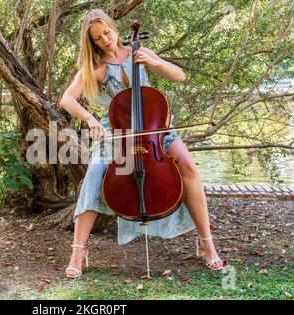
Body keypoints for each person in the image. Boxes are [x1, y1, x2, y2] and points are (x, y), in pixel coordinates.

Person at [59, 9, 223, 279]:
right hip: (117, 133)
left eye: (107, 33)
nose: (106, 40)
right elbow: (67, 99)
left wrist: (154, 62)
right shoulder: (96, 68)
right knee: (92, 177)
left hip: (155, 129)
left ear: (114, 28)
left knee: (190, 168)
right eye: (98, 38)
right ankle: (78, 251)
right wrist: (90, 118)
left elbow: (179, 76)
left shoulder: (139, 52)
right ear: (93, 42)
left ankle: (207, 243)